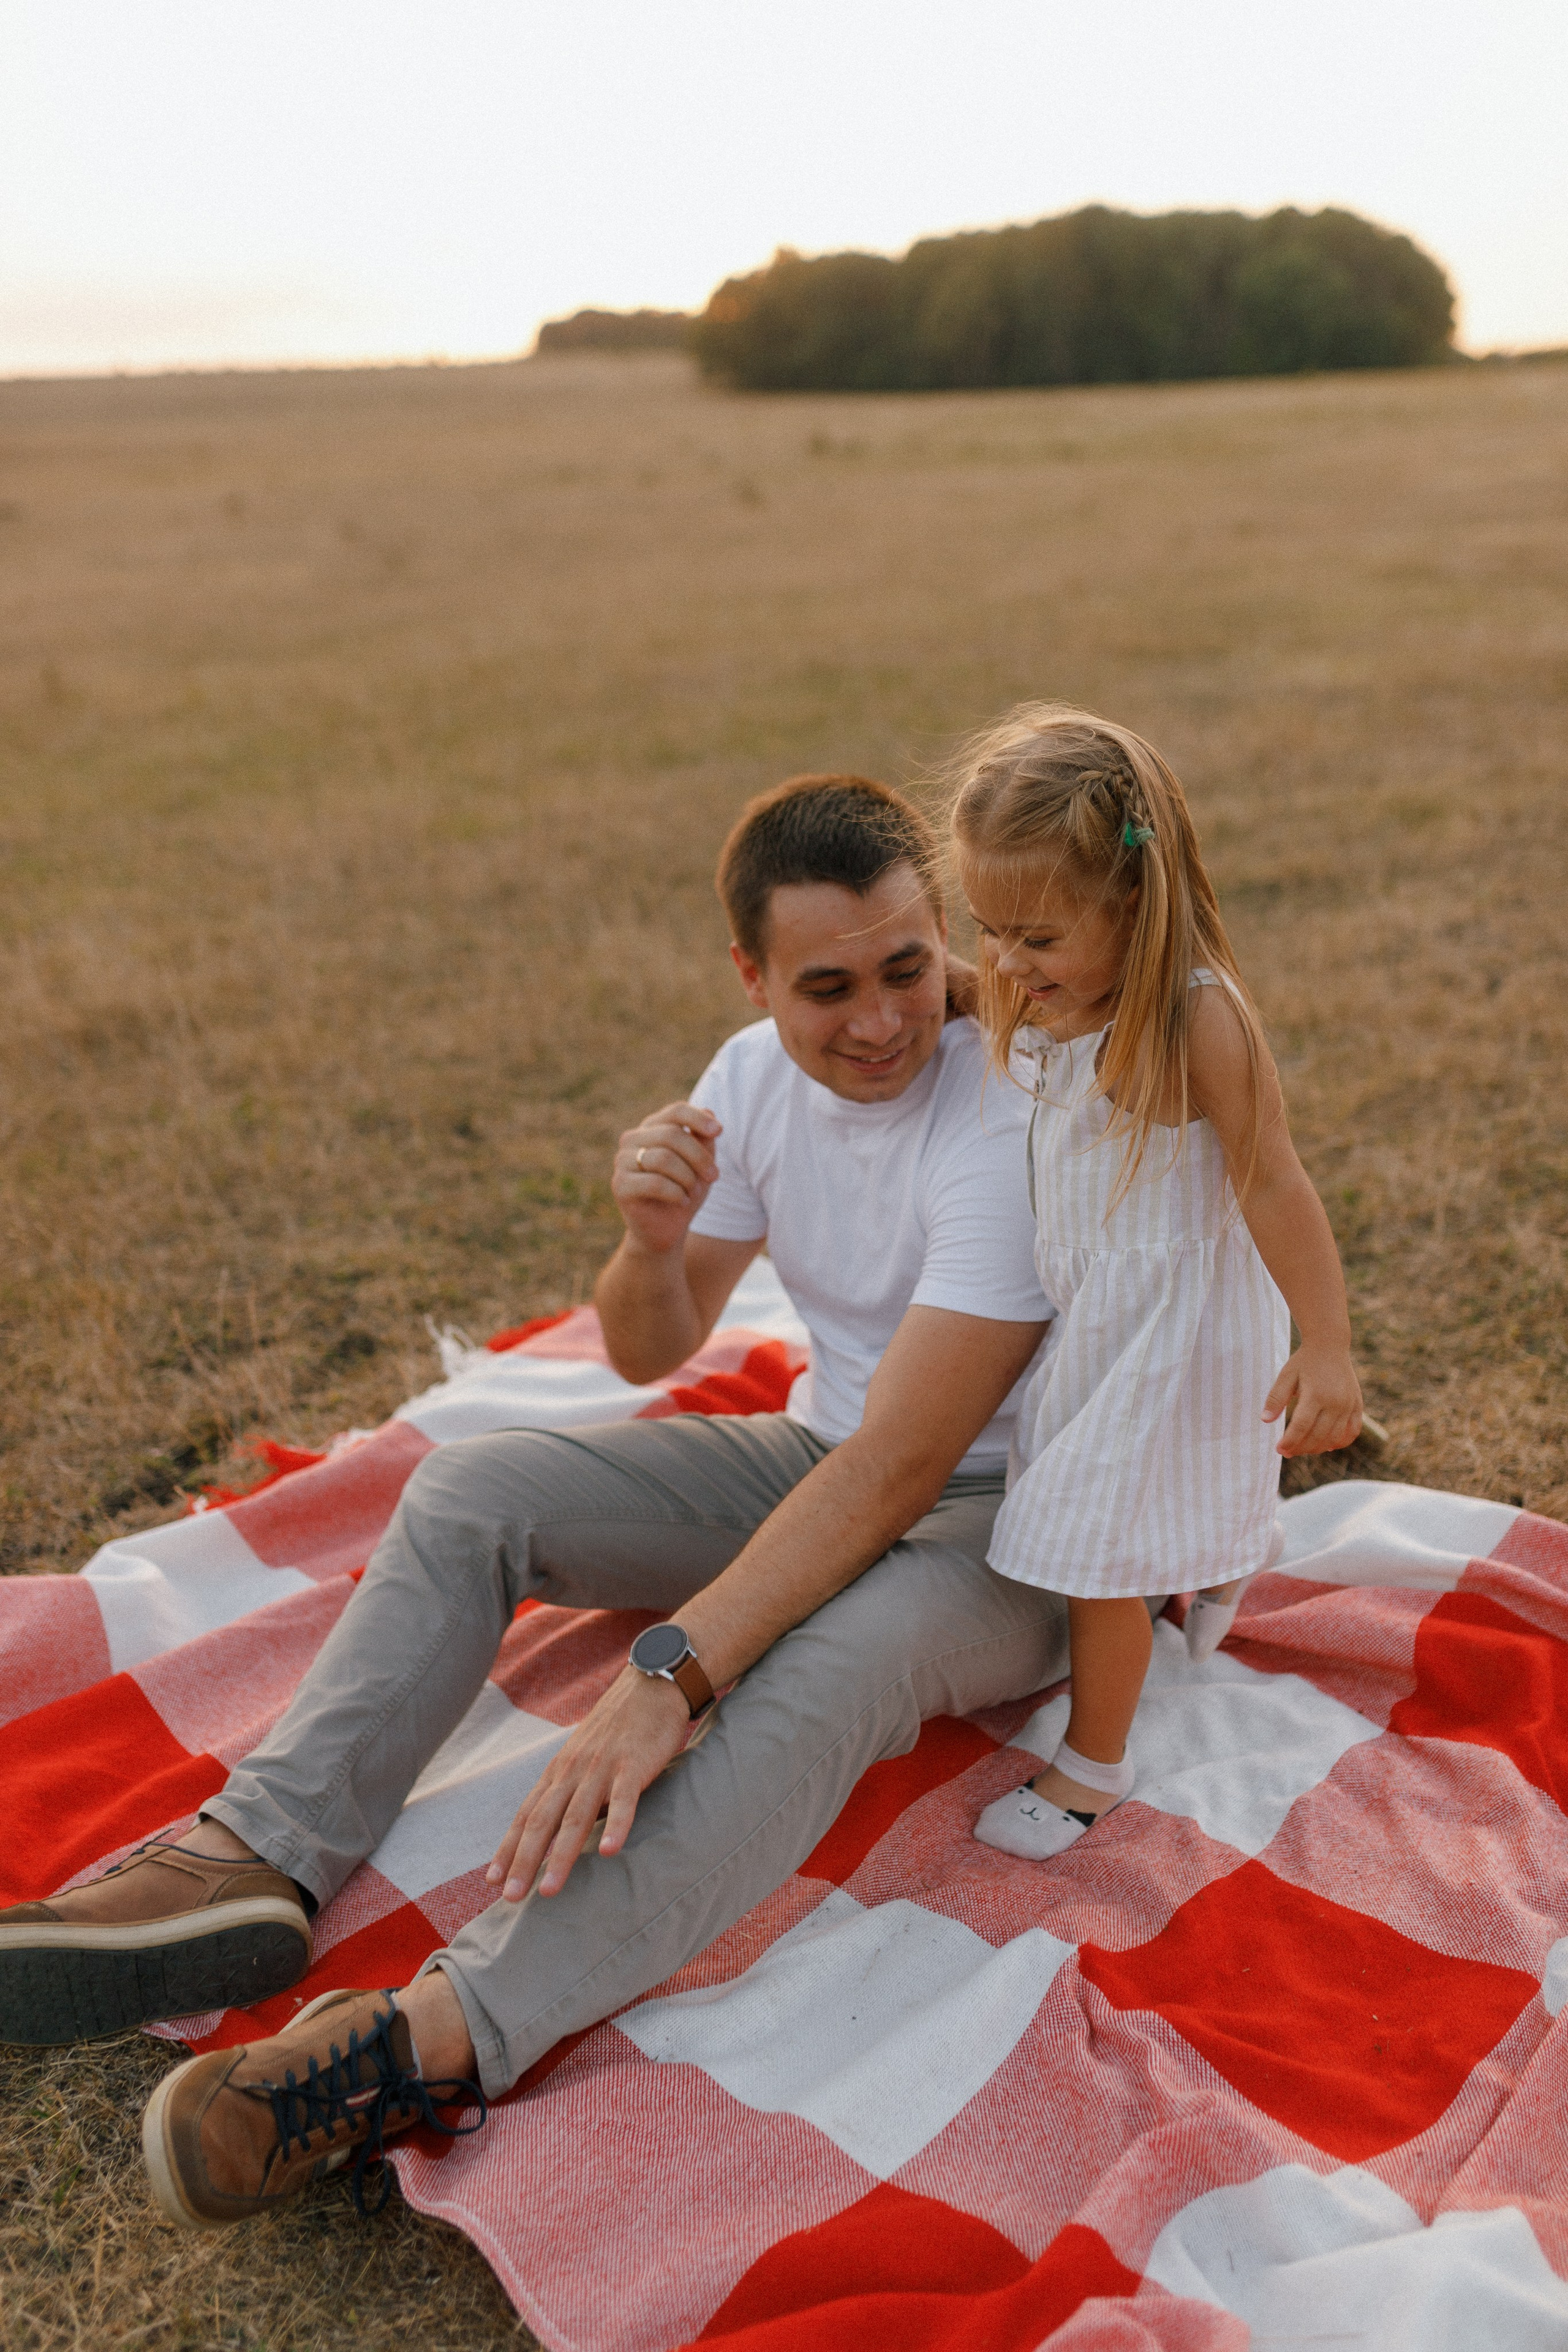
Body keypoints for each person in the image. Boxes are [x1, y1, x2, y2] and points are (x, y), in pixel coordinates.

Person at [2, 771, 1084, 2230]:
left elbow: (904, 1469)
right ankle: (253, 1862)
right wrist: (645, 1246)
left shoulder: (1007, 1106)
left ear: (940, 933)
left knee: (826, 1667)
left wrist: (671, 1668)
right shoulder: (752, 1077)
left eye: (907, 968)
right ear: (748, 976)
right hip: (821, 1457)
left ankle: (428, 2040)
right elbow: (652, 1343)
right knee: (472, 1491)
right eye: (824, 987)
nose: (882, 1020)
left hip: (1017, 1517)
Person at [948, 704, 1363, 1865]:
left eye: (1034, 936)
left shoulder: (1194, 1020)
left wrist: (1326, 1344)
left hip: (1175, 1331)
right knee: (1128, 1499)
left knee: (1092, 1549)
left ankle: (1095, 1763)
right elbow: (997, 984)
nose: (1007, 965)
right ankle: (1224, 1553)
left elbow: (1275, 1181)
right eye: (989, 931)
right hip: (1104, 1325)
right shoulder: (1054, 991)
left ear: (1133, 904)